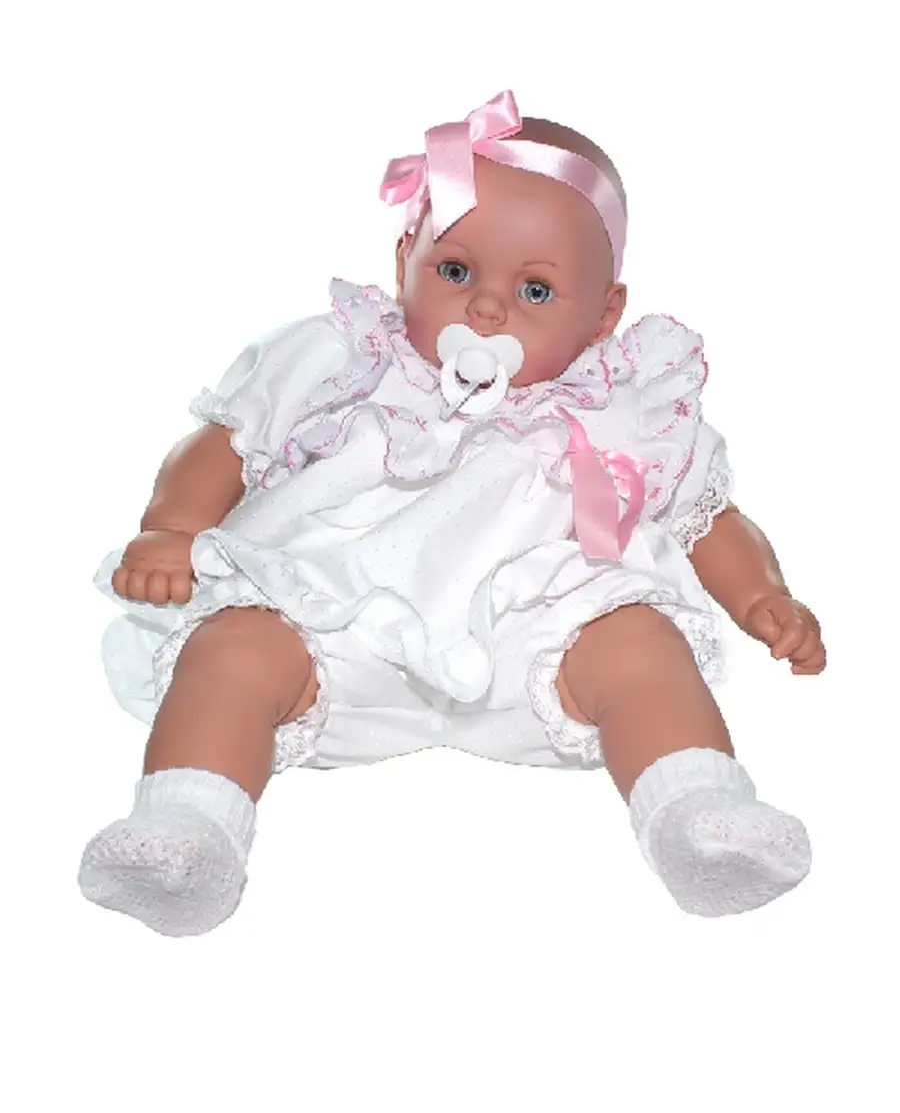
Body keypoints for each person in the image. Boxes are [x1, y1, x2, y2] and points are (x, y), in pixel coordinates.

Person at [78, 90, 825, 936]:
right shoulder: (340, 357)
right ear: (406, 256)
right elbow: (224, 444)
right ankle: (187, 830)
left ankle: (699, 815)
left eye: (536, 289)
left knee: (641, 646)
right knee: (232, 650)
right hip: (332, 620)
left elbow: (708, 517)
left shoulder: (623, 407)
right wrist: (173, 529)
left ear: (603, 315)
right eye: (457, 271)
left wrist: (763, 596)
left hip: (541, 639)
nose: (488, 308)